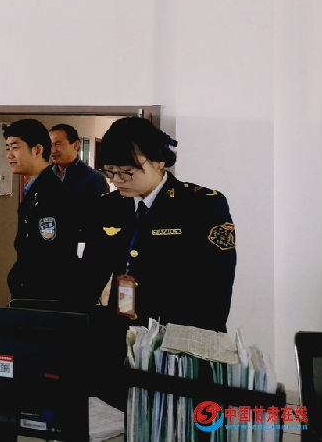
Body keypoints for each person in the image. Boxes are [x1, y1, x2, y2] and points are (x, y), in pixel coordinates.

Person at [78, 116, 237, 407]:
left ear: (159, 161)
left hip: (178, 344)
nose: (117, 181)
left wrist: (193, 351)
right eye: (110, 172)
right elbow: (89, 275)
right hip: (119, 341)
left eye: (127, 172)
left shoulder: (202, 205)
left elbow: (217, 285)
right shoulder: (106, 207)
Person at [3, 118, 79, 304]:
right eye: (7, 148)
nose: (9, 155)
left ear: (37, 150)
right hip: (30, 293)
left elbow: (50, 254)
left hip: (43, 296)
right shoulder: (34, 188)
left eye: (15, 147)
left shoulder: (51, 193)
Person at [49, 123, 108, 200]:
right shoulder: (44, 175)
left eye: (58, 144)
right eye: (49, 145)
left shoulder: (95, 178)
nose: (52, 150)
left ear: (76, 145)